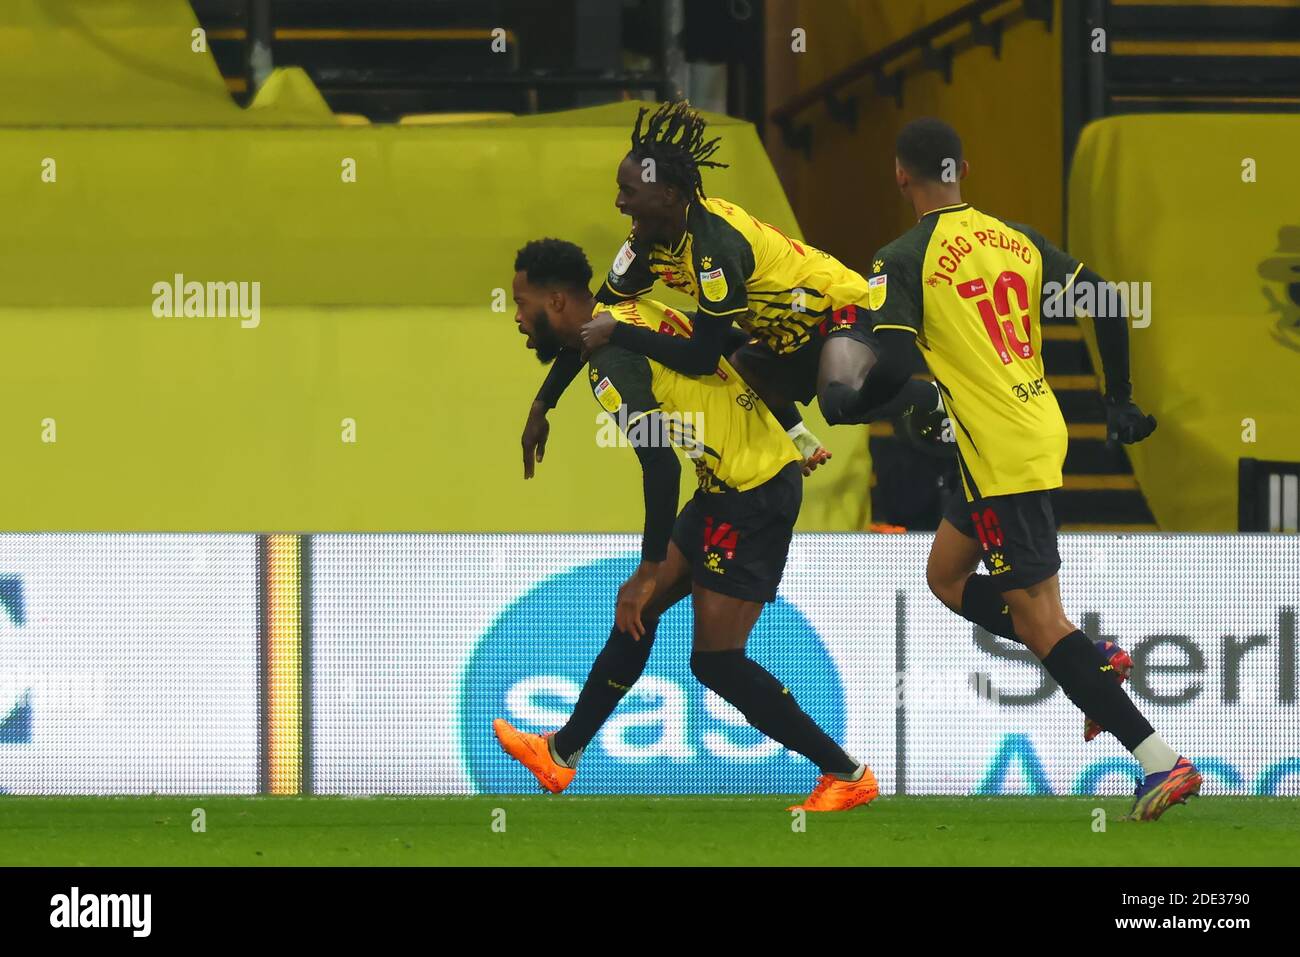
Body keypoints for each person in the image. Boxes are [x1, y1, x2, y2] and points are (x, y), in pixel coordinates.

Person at [844, 118, 1200, 821]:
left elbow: (889, 360)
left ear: (898, 174)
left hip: (1000, 450)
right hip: (1026, 433)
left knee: (1039, 623)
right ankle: (1092, 655)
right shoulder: (1018, 240)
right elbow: (1106, 298)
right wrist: (1118, 399)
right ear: (963, 169)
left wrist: (855, 401)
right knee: (945, 576)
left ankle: (1161, 761)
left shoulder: (904, 255)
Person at [494, 237, 879, 812]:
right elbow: (723, 345)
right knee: (639, 618)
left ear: (554, 301)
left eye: (522, 304)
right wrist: (541, 406)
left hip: (752, 493)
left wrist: (649, 568)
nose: (517, 317)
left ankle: (846, 773)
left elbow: (657, 459)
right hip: (729, 482)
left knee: (715, 660)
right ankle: (561, 754)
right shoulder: (619, 313)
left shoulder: (610, 367)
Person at [518, 100, 944, 483]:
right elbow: (590, 323)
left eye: (628, 191)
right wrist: (543, 405)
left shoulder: (715, 246)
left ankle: (932, 398)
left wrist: (620, 332)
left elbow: (701, 359)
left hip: (841, 312)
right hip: (783, 340)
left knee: (839, 405)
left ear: (668, 195)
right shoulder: (642, 245)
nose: (618, 202)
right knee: (740, 367)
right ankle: (800, 440)